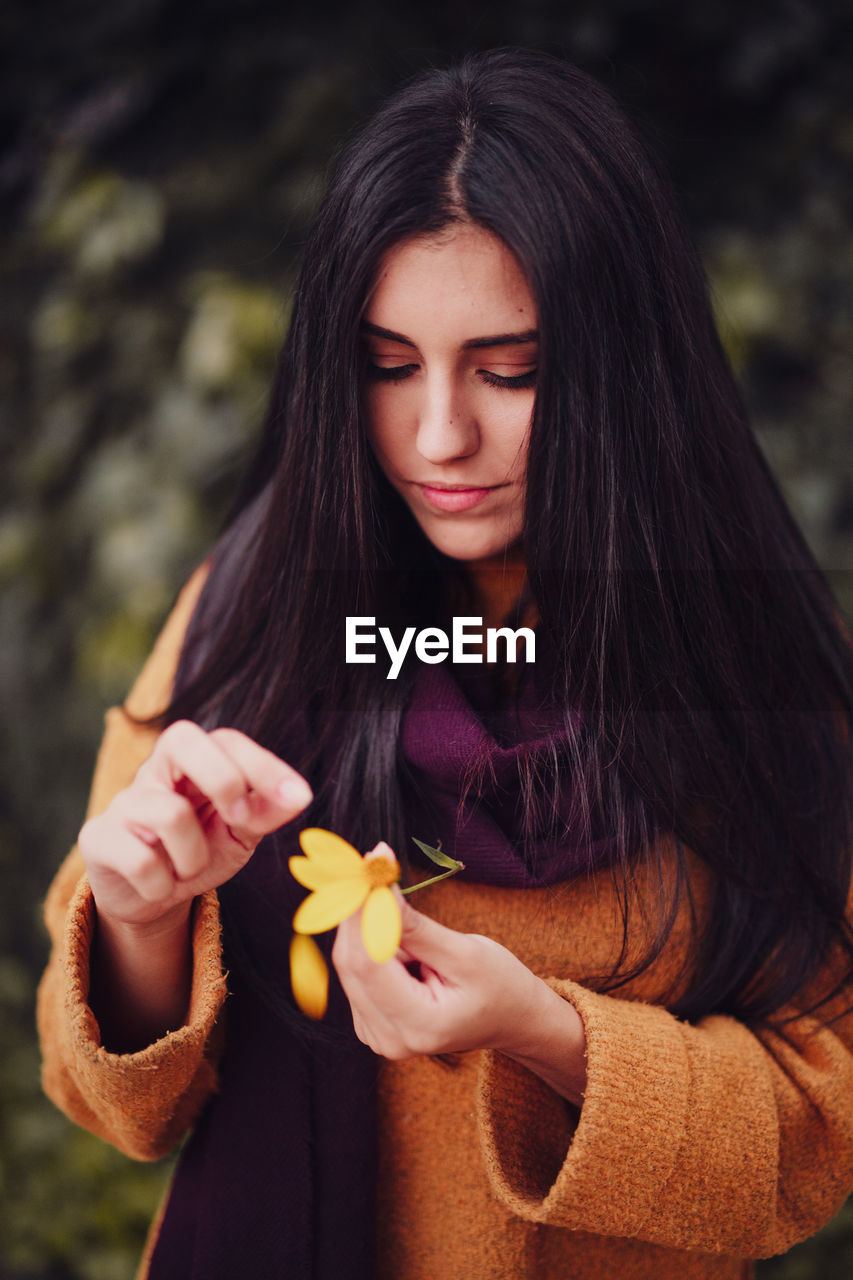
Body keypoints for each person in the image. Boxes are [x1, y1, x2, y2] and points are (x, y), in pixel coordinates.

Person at [37, 48, 853, 1280]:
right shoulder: (254, 608)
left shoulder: (744, 652)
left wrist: (550, 1035)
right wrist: (141, 918)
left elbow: (818, 1127)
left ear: (623, 365)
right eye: (386, 362)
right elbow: (108, 1099)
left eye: (510, 370)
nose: (438, 436)